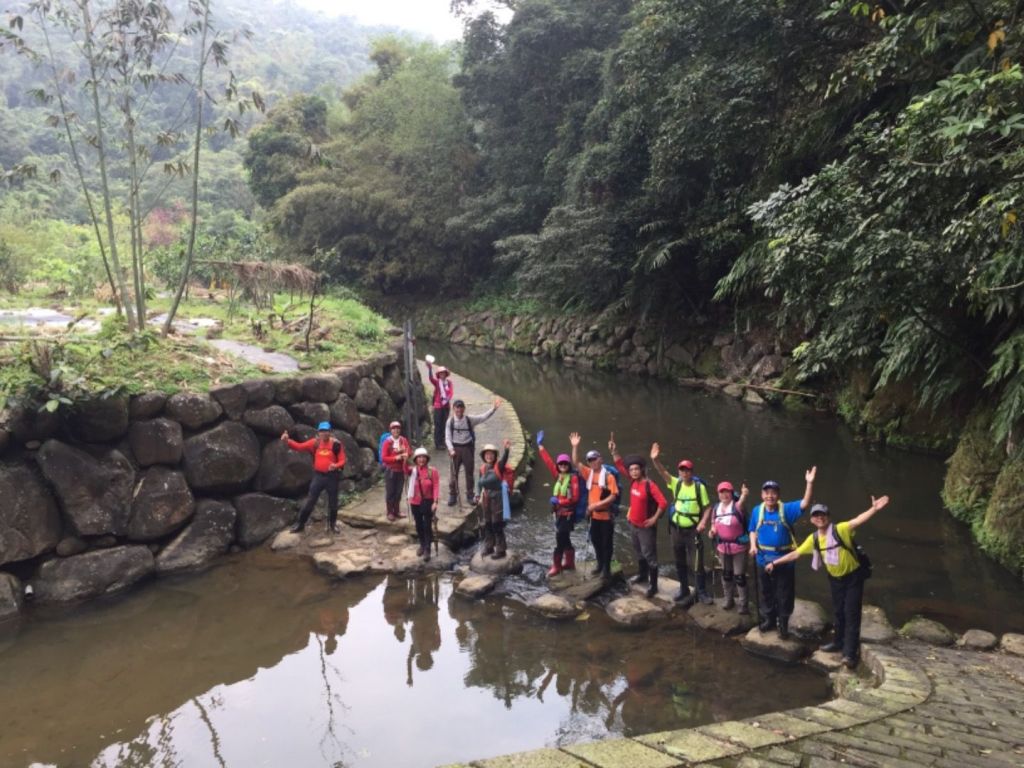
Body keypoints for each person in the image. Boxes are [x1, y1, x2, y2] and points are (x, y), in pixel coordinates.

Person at [766, 495, 888, 668]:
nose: (819, 517)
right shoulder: (814, 538)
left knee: (851, 613)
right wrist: (774, 563)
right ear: (812, 520)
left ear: (828, 517)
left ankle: (849, 653)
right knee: (838, 612)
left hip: (853, 577)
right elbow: (796, 554)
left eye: (822, 514)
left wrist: (874, 509)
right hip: (835, 579)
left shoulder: (841, 530)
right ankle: (838, 642)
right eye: (816, 515)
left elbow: (857, 520)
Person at [748, 467, 817, 639]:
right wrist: (753, 546)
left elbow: (805, 503)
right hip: (763, 558)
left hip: (784, 559)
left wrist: (809, 483)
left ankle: (783, 624)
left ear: (778, 495)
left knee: (784, 592)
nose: (770, 496)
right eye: (767, 493)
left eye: (773, 493)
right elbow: (752, 530)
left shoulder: (786, 509)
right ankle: (769, 619)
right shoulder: (758, 510)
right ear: (762, 495)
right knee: (766, 590)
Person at [651, 445, 713, 607]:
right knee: (679, 560)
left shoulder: (699, 488)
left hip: (693, 531)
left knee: (697, 562)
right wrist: (655, 459)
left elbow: (708, 508)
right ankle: (684, 589)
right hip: (676, 529)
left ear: (691, 472)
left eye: (687, 470)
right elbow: (662, 472)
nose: (685, 473)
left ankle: (702, 592)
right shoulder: (676, 483)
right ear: (679, 472)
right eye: (682, 470)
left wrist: (703, 522)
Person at [611, 444, 668, 599]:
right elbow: (619, 465)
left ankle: (653, 585)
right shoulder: (633, 481)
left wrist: (654, 518)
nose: (634, 471)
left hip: (646, 527)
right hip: (633, 524)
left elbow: (663, 503)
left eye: (636, 469)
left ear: (642, 469)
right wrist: (615, 451)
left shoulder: (649, 485)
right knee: (639, 552)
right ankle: (642, 576)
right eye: (632, 470)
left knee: (650, 556)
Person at [569, 432, 619, 580]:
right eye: (590, 460)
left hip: (605, 516)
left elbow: (613, 495)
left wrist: (596, 505)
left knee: (606, 543)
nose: (592, 462)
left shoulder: (608, 476)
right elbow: (575, 462)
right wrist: (575, 447)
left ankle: (607, 569)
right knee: (596, 541)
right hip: (593, 516)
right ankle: (600, 564)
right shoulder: (588, 473)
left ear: (600, 460)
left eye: (594, 459)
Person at [281, 421, 345, 534]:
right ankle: (300, 524)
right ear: (318, 432)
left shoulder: (336, 444)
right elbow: (299, 447)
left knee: (333, 502)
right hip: (319, 476)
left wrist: (336, 465)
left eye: (326, 431)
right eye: (321, 431)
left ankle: (333, 525)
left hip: (332, 477)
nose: (324, 433)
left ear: (330, 432)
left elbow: (342, 460)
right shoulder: (314, 443)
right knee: (310, 500)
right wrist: (288, 441)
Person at [537, 430, 581, 576]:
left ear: (568, 465)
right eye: (560, 464)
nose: (562, 465)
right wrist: (540, 446)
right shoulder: (559, 476)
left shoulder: (573, 478)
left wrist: (559, 500)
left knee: (559, 539)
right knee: (565, 537)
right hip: (559, 513)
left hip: (567, 514)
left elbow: (575, 498)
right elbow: (549, 462)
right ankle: (569, 562)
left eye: (565, 464)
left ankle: (557, 566)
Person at [445, 397, 502, 506]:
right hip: (455, 449)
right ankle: (453, 494)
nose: (459, 412)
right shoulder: (450, 422)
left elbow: (483, 417)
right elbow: (447, 437)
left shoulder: (469, 419)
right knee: (453, 473)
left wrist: (493, 409)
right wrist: (451, 449)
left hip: (467, 448)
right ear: (453, 409)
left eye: (461, 410)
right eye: (457, 410)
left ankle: (470, 494)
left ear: (464, 409)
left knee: (469, 473)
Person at [707, 481, 751, 613]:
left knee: (739, 576)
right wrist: (712, 531)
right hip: (722, 547)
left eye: (727, 492)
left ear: (731, 493)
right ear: (718, 494)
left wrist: (744, 495)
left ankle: (743, 604)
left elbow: (742, 502)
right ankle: (729, 600)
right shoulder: (716, 509)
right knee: (726, 574)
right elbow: (713, 524)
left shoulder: (737, 506)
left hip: (738, 548)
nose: (724, 495)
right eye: (722, 492)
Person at [477, 439, 513, 559]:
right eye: (486, 454)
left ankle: (501, 550)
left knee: (497, 524)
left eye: (491, 454)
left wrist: (506, 449)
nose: (489, 456)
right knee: (487, 524)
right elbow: (480, 483)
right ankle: (489, 546)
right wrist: (477, 495)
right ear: (483, 456)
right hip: (486, 497)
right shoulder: (482, 468)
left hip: (498, 498)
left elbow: (504, 459)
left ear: (495, 455)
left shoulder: (499, 466)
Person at [406, 447, 440, 560]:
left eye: (423, 457)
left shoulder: (432, 471)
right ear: (415, 459)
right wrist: (404, 458)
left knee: (427, 525)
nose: (421, 459)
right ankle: (422, 544)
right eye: (419, 457)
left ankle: (427, 549)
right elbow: (404, 470)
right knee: (419, 524)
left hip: (427, 501)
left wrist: (435, 501)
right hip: (415, 501)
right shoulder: (413, 471)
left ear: (426, 458)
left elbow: (436, 486)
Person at [381, 420, 410, 521]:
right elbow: (384, 457)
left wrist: (406, 454)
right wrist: (396, 458)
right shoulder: (387, 442)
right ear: (391, 430)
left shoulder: (403, 440)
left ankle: (396, 511)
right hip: (391, 471)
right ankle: (390, 512)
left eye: (398, 428)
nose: (396, 430)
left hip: (401, 470)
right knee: (390, 492)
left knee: (398, 492)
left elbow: (408, 450)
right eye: (394, 428)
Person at [426, 361, 453, 449]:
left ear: (446, 374)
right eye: (440, 373)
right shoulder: (437, 382)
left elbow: (451, 393)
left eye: (443, 373)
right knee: (438, 424)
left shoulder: (449, 383)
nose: (442, 375)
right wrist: (430, 369)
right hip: (438, 406)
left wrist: (446, 400)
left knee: (444, 424)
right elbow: (431, 379)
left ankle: (443, 441)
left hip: (446, 407)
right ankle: (438, 443)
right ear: (439, 374)